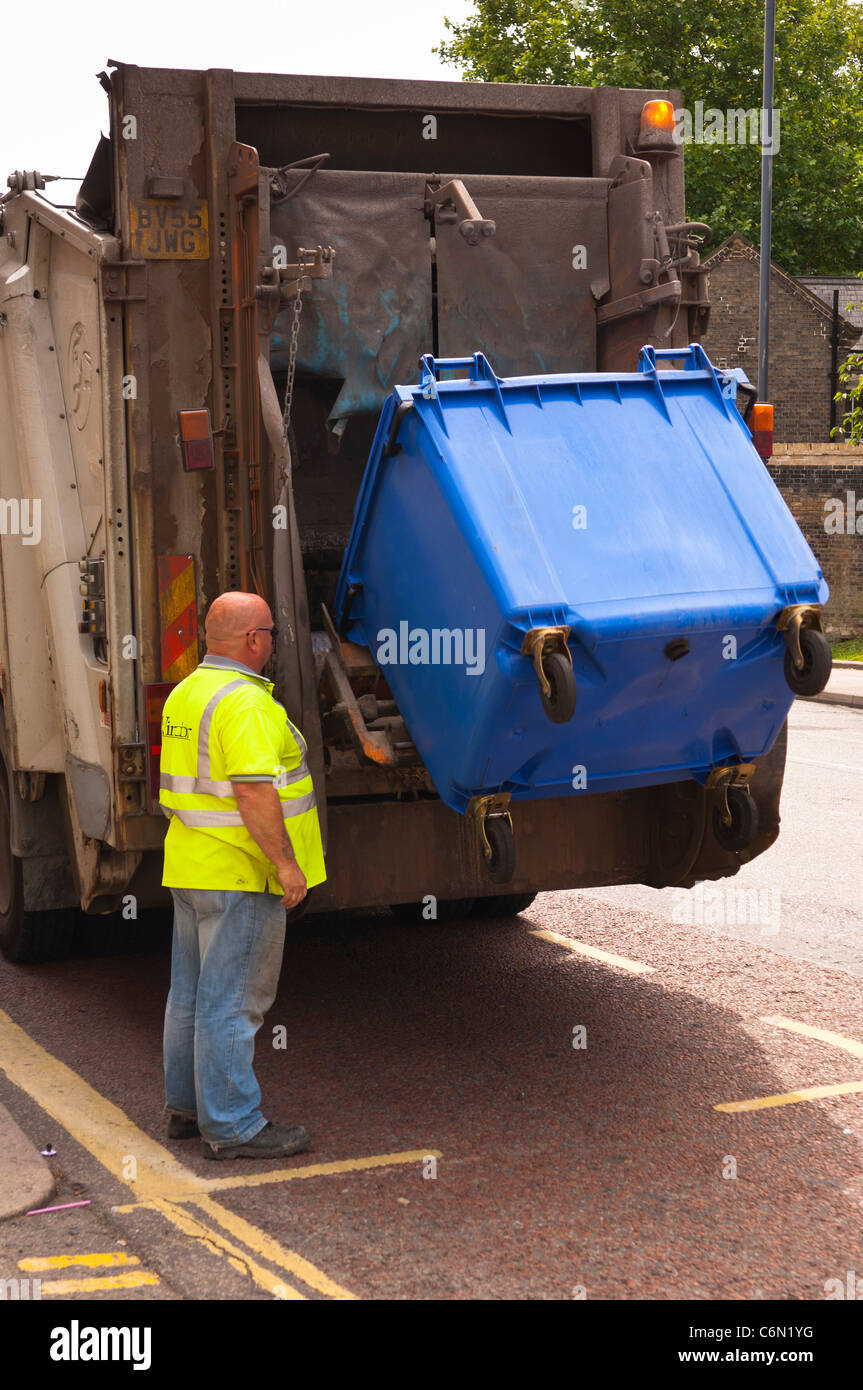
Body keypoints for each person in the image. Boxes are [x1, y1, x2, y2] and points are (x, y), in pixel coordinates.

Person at [159, 590, 325, 1159]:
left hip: (190, 866)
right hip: (239, 873)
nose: (274, 641)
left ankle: (186, 1109)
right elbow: (254, 791)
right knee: (232, 1001)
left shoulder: (187, 692)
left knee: (190, 995)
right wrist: (284, 864)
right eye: (272, 633)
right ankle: (232, 1125)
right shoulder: (247, 703)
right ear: (253, 640)